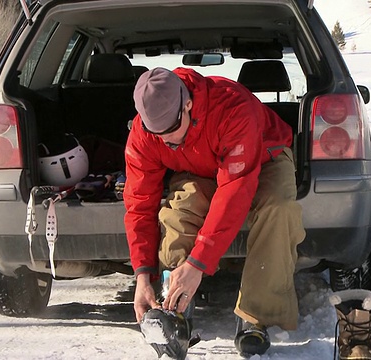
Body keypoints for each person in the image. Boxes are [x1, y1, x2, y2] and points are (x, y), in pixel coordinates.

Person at [123, 66, 306, 358]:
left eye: (171, 130)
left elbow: (234, 191)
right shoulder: (145, 134)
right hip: (201, 167)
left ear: (188, 104)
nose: (166, 141)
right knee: (178, 213)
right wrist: (143, 274)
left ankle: (255, 316)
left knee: (278, 208)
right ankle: (174, 311)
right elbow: (139, 202)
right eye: (157, 135)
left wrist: (197, 265)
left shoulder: (233, 106)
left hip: (264, 156)